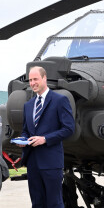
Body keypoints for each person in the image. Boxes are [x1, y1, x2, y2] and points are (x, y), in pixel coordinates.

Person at [16, 66, 75, 208]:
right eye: (30, 80)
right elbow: (26, 131)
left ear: (44, 78)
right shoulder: (28, 105)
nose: (32, 83)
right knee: (37, 203)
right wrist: (23, 140)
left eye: (35, 79)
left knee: (54, 203)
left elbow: (69, 129)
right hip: (32, 162)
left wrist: (45, 139)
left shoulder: (60, 100)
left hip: (51, 162)